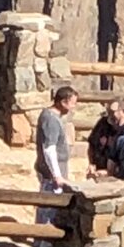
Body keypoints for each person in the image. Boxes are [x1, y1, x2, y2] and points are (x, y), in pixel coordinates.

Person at [35, 83, 78, 232]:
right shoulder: (51, 120)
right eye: (72, 103)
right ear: (63, 102)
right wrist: (57, 175)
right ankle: (43, 241)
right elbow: (49, 149)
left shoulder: (52, 117)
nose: (73, 107)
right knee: (48, 209)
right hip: (52, 176)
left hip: (55, 172)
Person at [86, 96, 124, 175]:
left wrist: (109, 172)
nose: (110, 115)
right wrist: (91, 164)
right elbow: (92, 144)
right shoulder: (103, 123)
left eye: (113, 112)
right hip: (97, 172)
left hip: (116, 176)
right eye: (109, 111)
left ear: (123, 111)